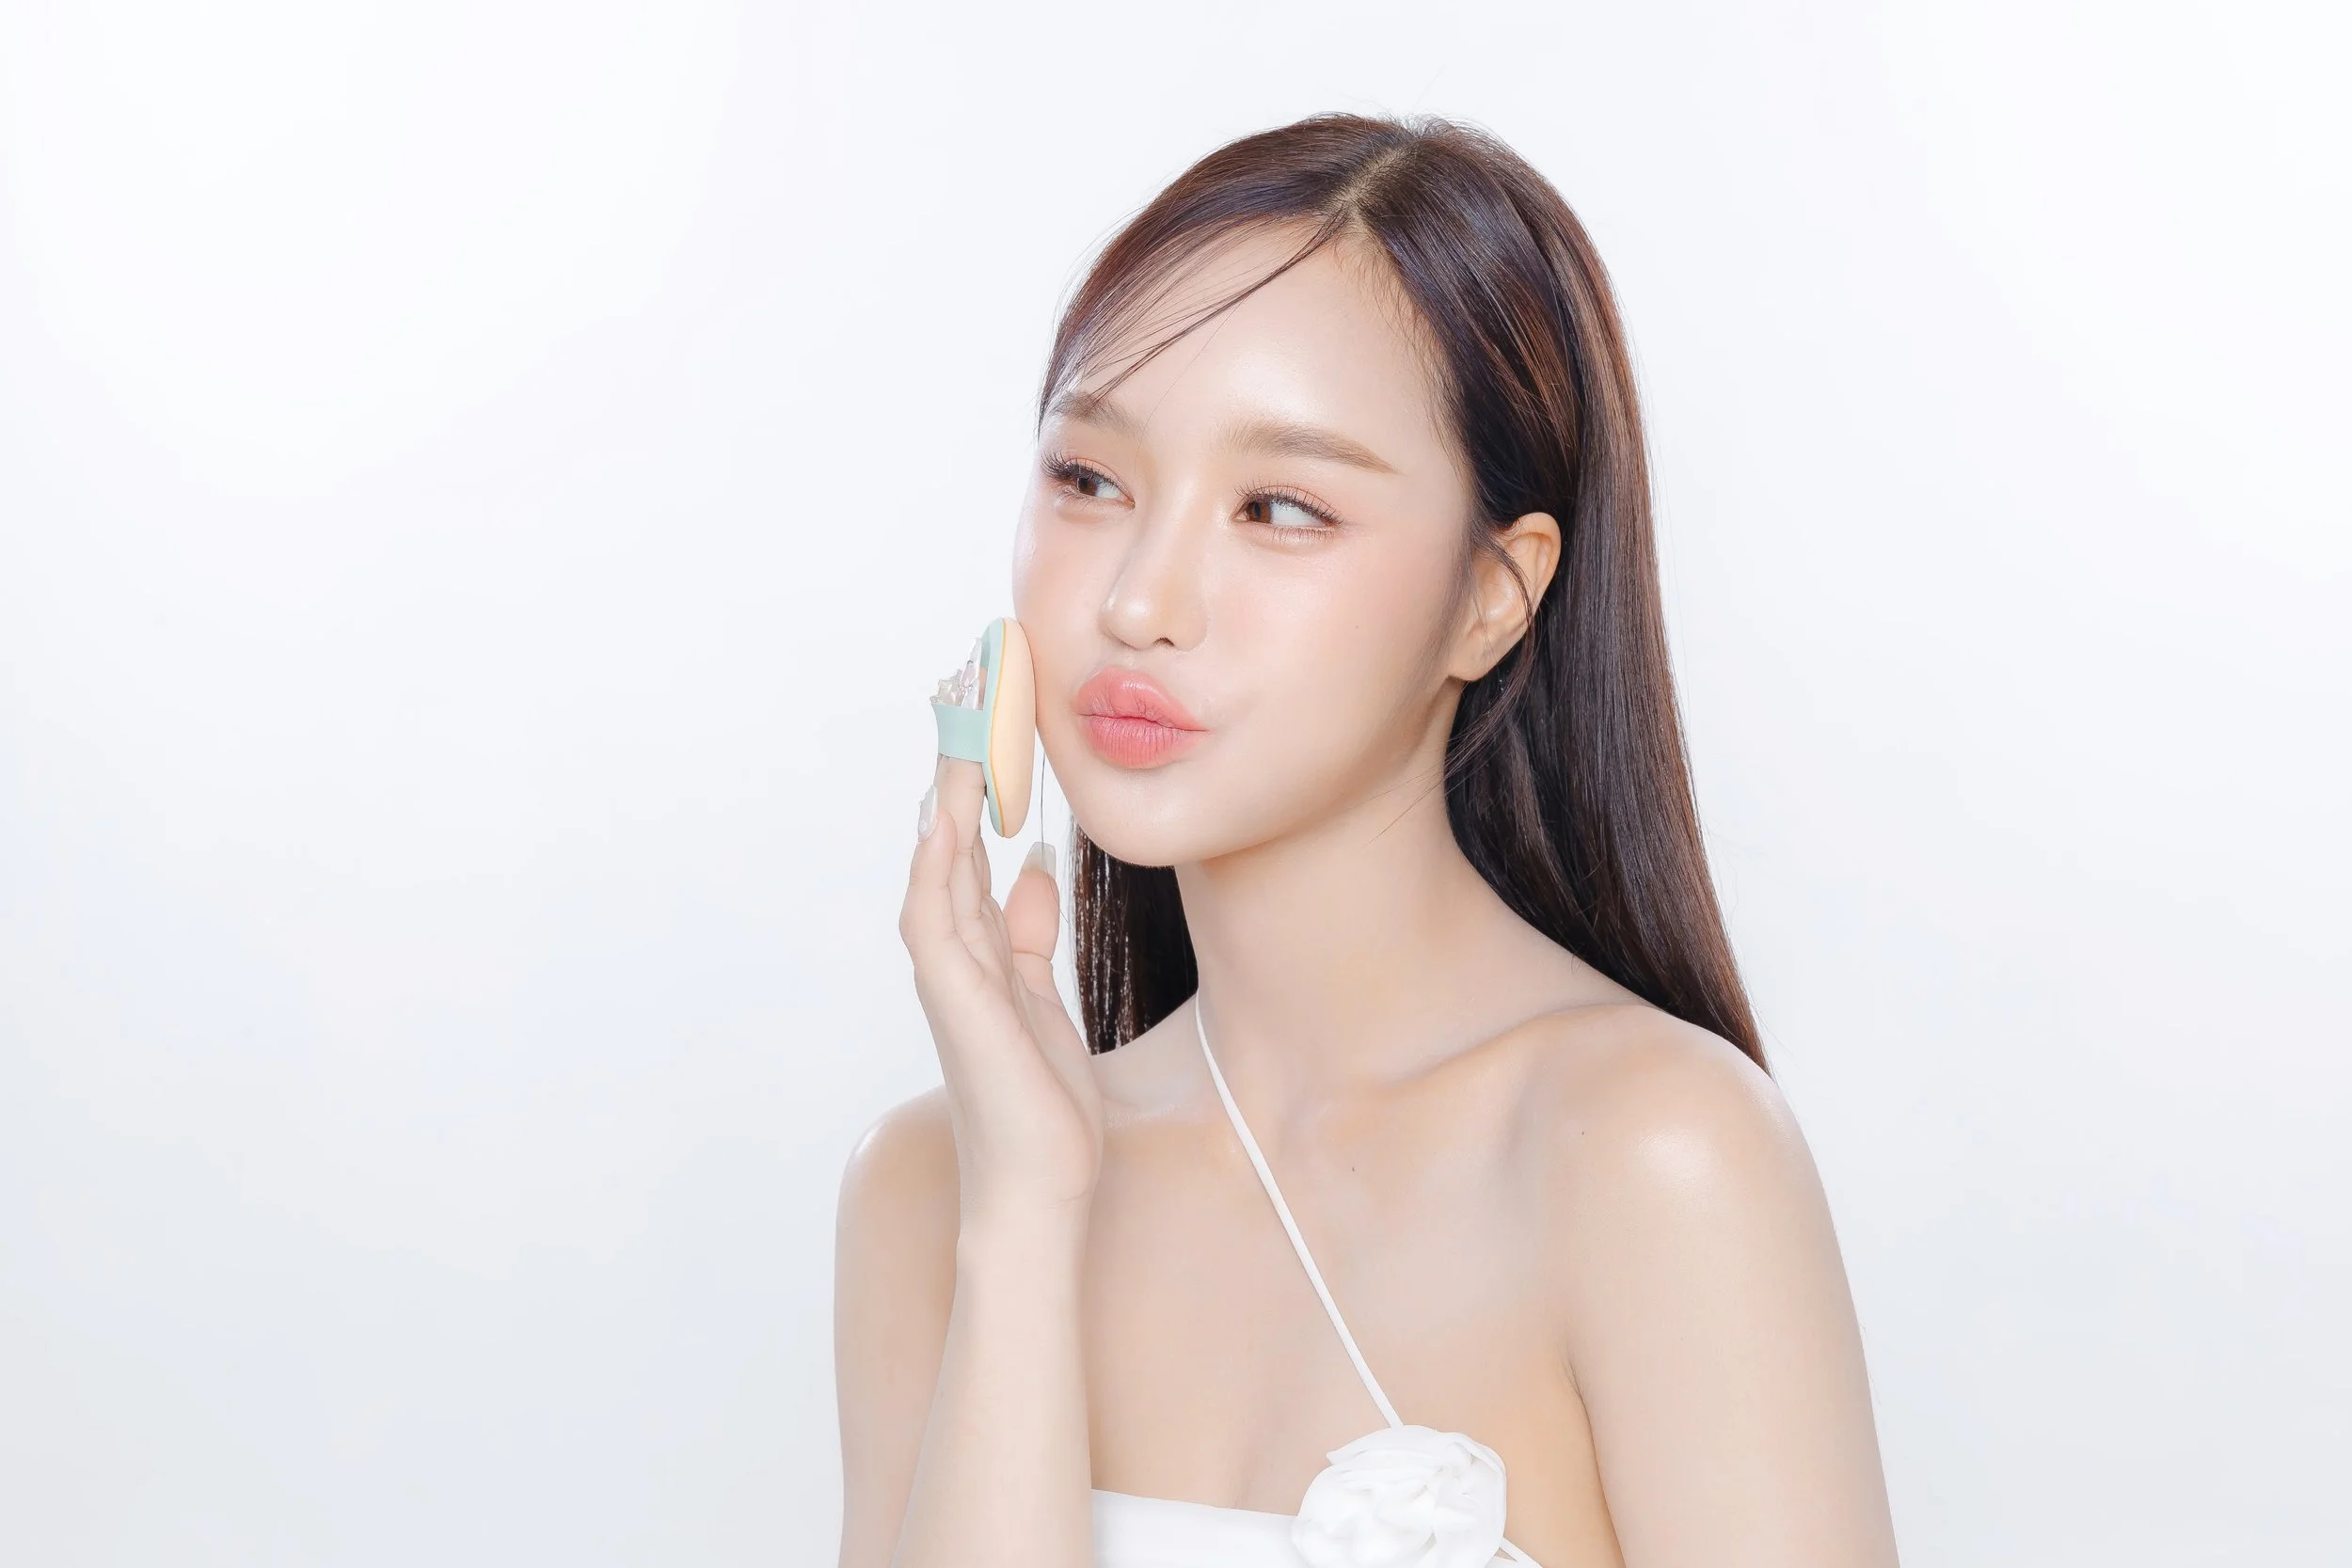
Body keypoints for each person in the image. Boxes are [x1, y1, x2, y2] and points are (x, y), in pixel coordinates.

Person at [834, 112, 1899, 1568]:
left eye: (1280, 508)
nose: (1143, 599)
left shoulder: (1650, 1159)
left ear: (1493, 597)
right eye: (1089, 479)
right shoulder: (935, 1188)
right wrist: (1025, 1219)